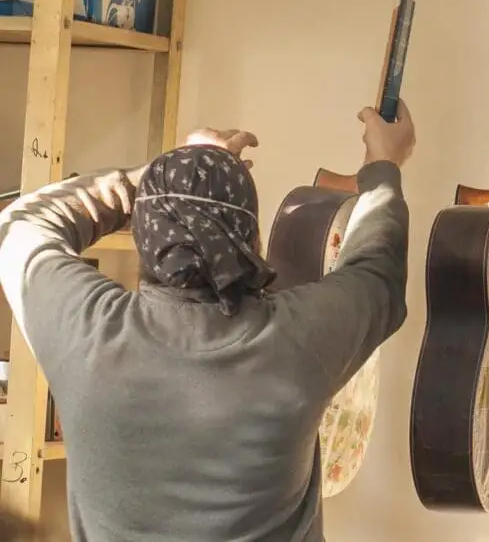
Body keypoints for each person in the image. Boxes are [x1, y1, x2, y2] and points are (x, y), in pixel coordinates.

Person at [0, 101, 416, 541]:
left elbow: (20, 224)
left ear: (142, 235)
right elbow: (378, 270)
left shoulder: (87, 336)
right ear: (252, 239)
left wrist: (168, 177)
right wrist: (383, 165)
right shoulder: (295, 342)